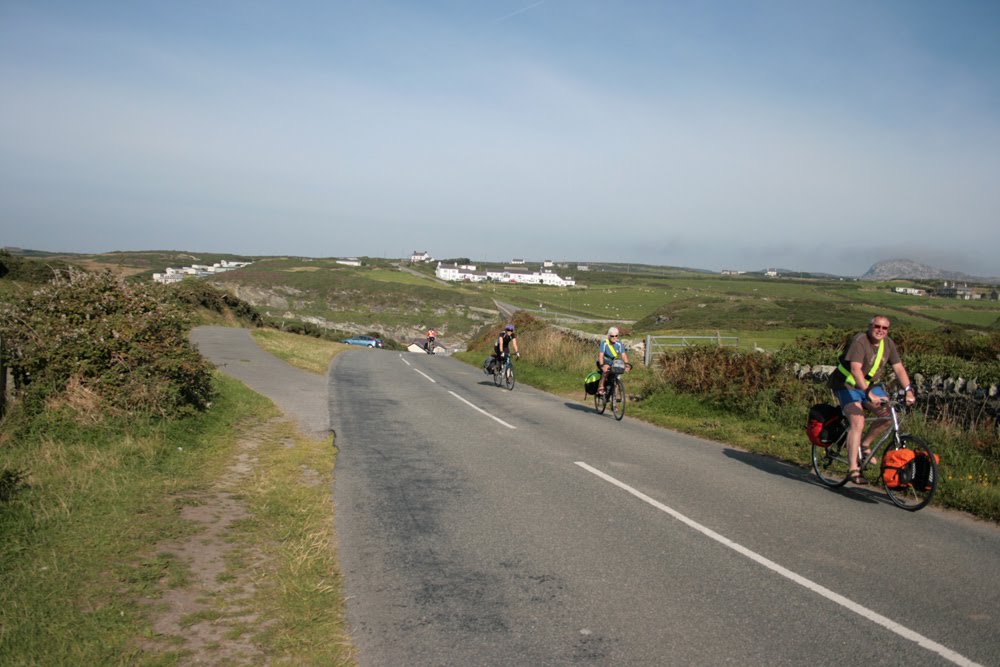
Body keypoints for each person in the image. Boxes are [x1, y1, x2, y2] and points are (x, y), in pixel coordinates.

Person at [828, 315, 916, 485]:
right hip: (847, 384)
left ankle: (865, 444)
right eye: (877, 326)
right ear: (869, 326)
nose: (880, 330)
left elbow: (898, 368)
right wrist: (868, 393)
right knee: (858, 421)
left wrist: (908, 390)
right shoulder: (860, 341)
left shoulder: (888, 344)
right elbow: (855, 369)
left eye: (885, 328)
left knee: (889, 415)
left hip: (868, 385)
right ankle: (853, 468)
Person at [596, 326, 630, 396]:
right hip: (604, 361)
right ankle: (601, 386)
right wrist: (602, 365)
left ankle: (614, 402)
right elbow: (600, 356)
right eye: (612, 336)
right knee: (606, 371)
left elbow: (623, 355)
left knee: (617, 377)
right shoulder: (604, 343)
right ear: (609, 336)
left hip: (614, 363)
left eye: (616, 336)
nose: (614, 337)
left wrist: (626, 364)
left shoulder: (619, 343)